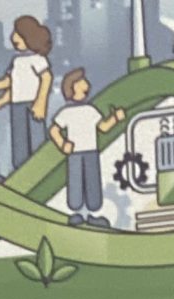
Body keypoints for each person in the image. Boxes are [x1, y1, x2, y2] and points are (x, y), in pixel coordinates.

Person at [48, 69, 125, 228]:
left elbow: (103, 127)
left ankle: (92, 215)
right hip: (75, 154)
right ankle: (77, 214)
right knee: (75, 184)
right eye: (82, 81)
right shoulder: (66, 112)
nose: (86, 84)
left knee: (92, 183)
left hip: (91, 152)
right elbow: (54, 130)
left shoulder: (90, 110)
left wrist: (115, 118)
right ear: (74, 86)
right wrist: (63, 144)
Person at [0, 15, 55, 171]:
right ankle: (20, 168)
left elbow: (47, 78)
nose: (13, 37)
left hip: (32, 104)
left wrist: (40, 103)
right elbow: (9, 82)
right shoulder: (16, 61)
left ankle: (40, 168)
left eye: (17, 33)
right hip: (16, 105)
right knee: (19, 141)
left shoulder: (37, 59)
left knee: (36, 139)